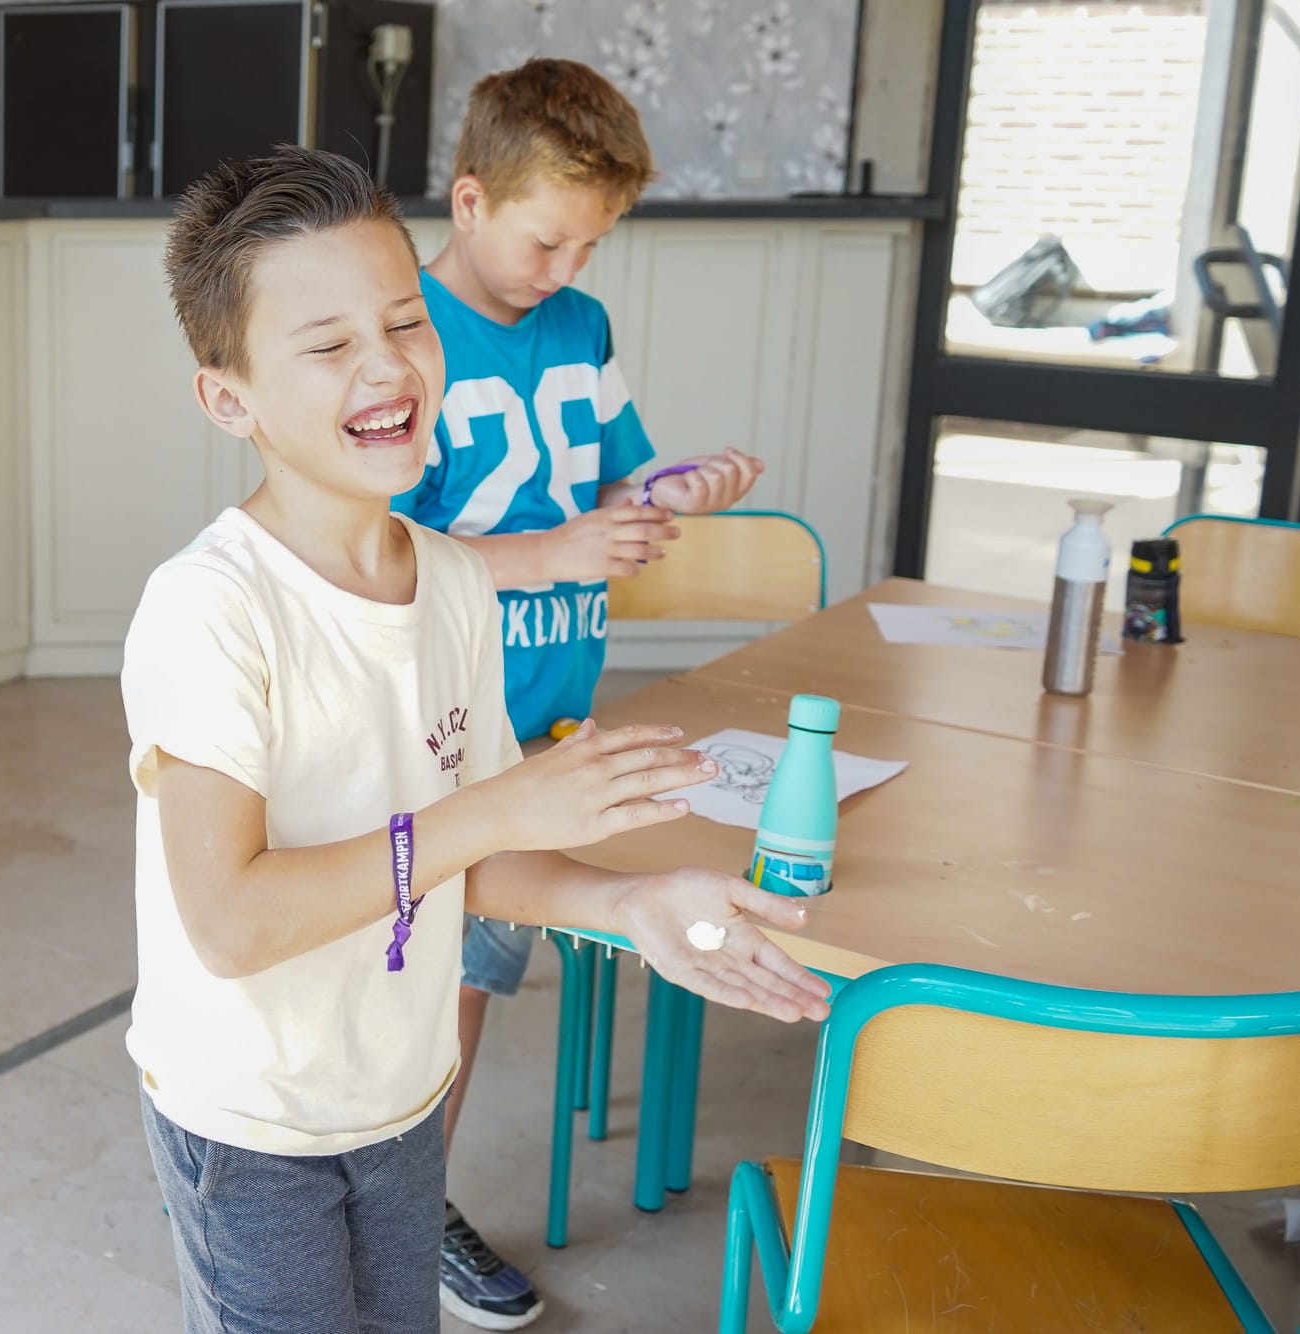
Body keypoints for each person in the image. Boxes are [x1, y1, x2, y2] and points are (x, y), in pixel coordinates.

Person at [121, 144, 831, 1334]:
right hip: (251, 1126)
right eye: (326, 344)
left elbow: (480, 859)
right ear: (229, 397)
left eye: (404, 319)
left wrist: (628, 903)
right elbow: (232, 922)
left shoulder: (451, 581)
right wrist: (494, 808)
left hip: (403, 1096)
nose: (387, 363)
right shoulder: (210, 609)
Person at [391, 58, 768, 1327]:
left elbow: (612, 479)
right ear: (468, 199)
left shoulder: (580, 325)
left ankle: (401, 1196)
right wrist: (551, 552)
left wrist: (669, 489)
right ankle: (397, 1212)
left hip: (548, 715)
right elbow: (381, 551)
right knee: (435, 985)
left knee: (467, 981)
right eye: (546, 241)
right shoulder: (404, 337)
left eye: (590, 245)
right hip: (440, 725)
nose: (565, 269)